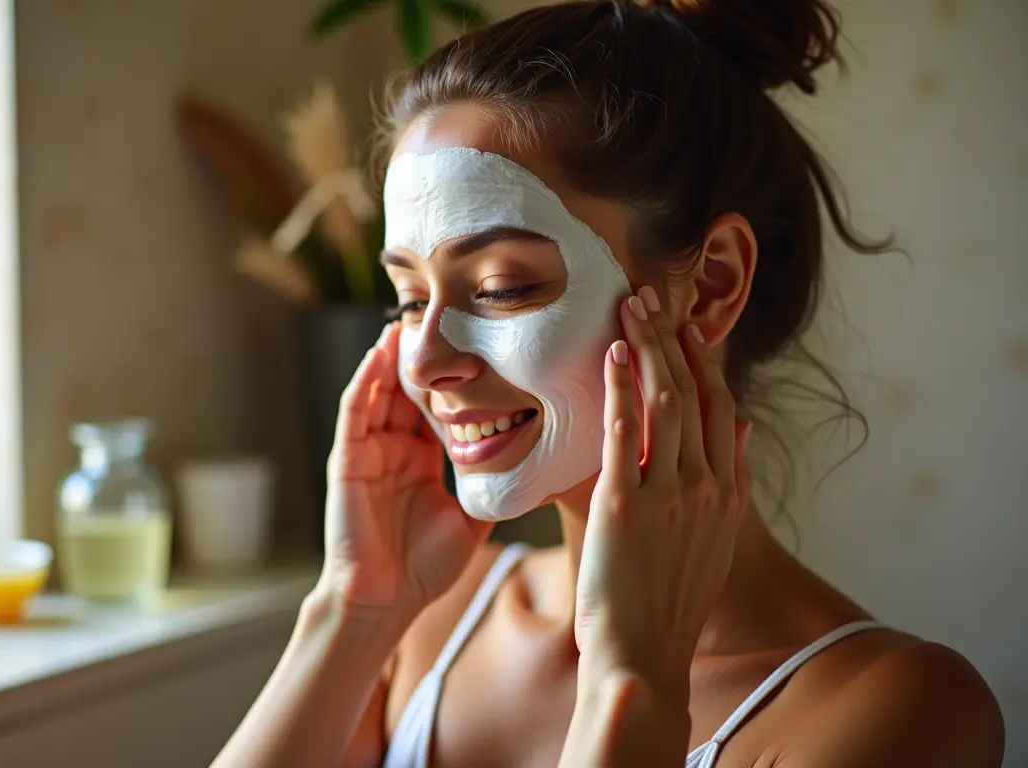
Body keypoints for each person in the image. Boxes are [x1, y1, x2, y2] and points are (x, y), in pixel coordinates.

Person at [213, 1, 1005, 765]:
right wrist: (352, 610)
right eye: (410, 299)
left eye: (500, 288)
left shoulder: (900, 711)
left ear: (712, 285)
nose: (421, 361)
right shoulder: (429, 618)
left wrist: (633, 685)